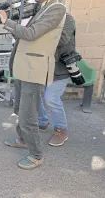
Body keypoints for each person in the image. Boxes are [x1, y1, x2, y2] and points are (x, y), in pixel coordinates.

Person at [0, 0, 67, 169]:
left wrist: (6, 22)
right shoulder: (42, 7)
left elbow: (31, 33)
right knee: (19, 108)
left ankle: (36, 154)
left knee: (29, 116)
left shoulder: (57, 9)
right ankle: (22, 140)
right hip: (23, 67)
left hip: (34, 70)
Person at [38, 13, 76, 146]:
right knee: (34, 94)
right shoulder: (42, 18)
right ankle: (42, 122)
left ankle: (61, 130)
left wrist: (37, 34)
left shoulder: (67, 18)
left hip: (60, 68)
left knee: (51, 98)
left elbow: (62, 39)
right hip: (43, 67)